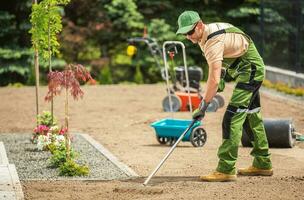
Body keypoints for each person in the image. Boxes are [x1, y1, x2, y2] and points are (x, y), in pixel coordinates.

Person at [176, 10, 273, 182]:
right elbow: (218, 70)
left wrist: (203, 106)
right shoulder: (203, 37)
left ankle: (226, 169)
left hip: (250, 72)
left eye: (190, 32)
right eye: (184, 34)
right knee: (252, 117)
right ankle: (263, 163)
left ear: (199, 25)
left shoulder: (213, 40)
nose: (189, 37)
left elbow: (212, 79)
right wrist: (217, 84)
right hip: (249, 70)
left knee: (231, 118)